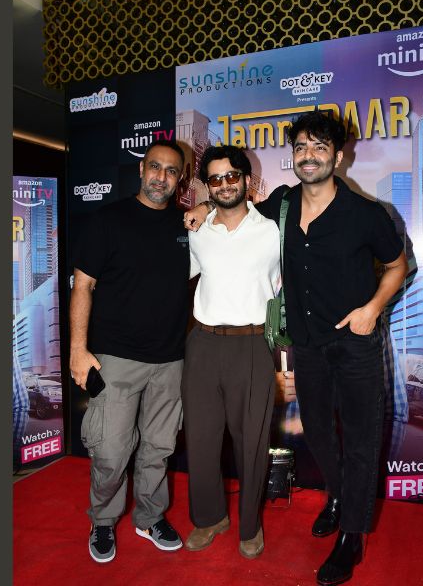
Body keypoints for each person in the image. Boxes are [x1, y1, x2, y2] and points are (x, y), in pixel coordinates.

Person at [184, 111, 409, 586]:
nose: (309, 156)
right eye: (302, 147)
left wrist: (372, 309)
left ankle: (352, 536)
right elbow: (230, 203)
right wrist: (203, 206)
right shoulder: (280, 205)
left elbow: (397, 266)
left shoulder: (366, 214)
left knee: (360, 439)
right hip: (307, 346)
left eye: (320, 147)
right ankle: (336, 495)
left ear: (339, 156)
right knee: (321, 436)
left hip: (355, 346)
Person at [70, 139, 190, 564]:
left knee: (158, 448)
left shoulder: (187, 226)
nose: (161, 177)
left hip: (171, 360)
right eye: (155, 167)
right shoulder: (108, 220)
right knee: (111, 450)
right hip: (116, 358)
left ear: (180, 179)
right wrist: (78, 349)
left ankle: (150, 517)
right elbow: (83, 285)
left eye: (171, 171)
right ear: (141, 170)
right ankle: (103, 520)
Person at [180, 145, 280, 560]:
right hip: (203, 343)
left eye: (232, 176)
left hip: (253, 345)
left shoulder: (273, 230)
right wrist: (202, 209)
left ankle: (250, 526)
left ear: (246, 179)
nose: (224, 185)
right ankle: (209, 518)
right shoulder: (196, 230)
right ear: (208, 185)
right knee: (201, 439)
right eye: (215, 179)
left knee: (251, 442)